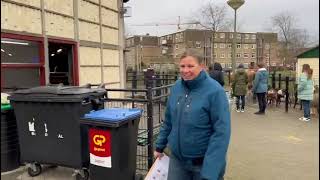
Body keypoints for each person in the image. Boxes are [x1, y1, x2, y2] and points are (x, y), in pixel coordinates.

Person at [154, 49, 231, 180]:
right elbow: (168, 120)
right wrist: (160, 145)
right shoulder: (177, 87)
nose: (185, 70)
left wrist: (210, 172)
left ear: (202, 66)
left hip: (203, 165)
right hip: (178, 161)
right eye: (182, 66)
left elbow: (221, 133)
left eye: (190, 66)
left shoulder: (215, 91)